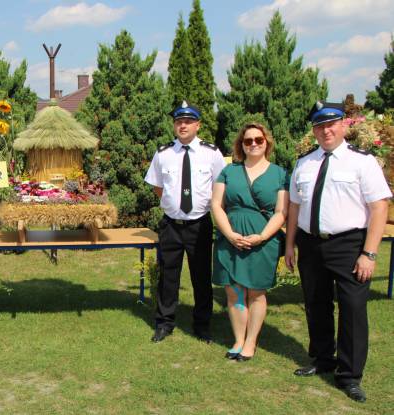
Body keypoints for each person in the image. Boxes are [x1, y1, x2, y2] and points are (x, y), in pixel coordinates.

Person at [285, 101, 390, 402]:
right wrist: (290, 244)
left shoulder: (362, 161)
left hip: (349, 245)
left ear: (344, 125)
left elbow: (379, 206)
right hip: (310, 242)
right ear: (314, 130)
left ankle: (350, 375)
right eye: (319, 126)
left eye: (331, 124)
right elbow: (294, 206)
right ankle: (322, 359)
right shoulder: (304, 163)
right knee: (316, 304)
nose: (325, 130)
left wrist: (369, 253)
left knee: (353, 310)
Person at [144, 101, 226, 343]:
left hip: (199, 224)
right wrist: (173, 205)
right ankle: (164, 323)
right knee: (168, 276)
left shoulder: (212, 154)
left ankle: (202, 324)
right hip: (171, 225)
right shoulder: (163, 154)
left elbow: (219, 187)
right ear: (174, 125)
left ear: (198, 125)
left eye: (188, 121)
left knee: (201, 277)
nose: (183, 125)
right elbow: (158, 188)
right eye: (179, 121)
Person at [210, 123, 289, 362]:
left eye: (258, 139)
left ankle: (251, 342)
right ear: (241, 145)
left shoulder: (279, 174)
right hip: (230, 238)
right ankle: (238, 339)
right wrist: (230, 234)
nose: (253, 144)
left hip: (263, 240)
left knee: (256, 292)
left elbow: (281, 212)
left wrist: (263, 236)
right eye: (248, 141)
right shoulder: (228, 172)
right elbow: (216, 205)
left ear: (267, 142)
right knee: (233, 291)